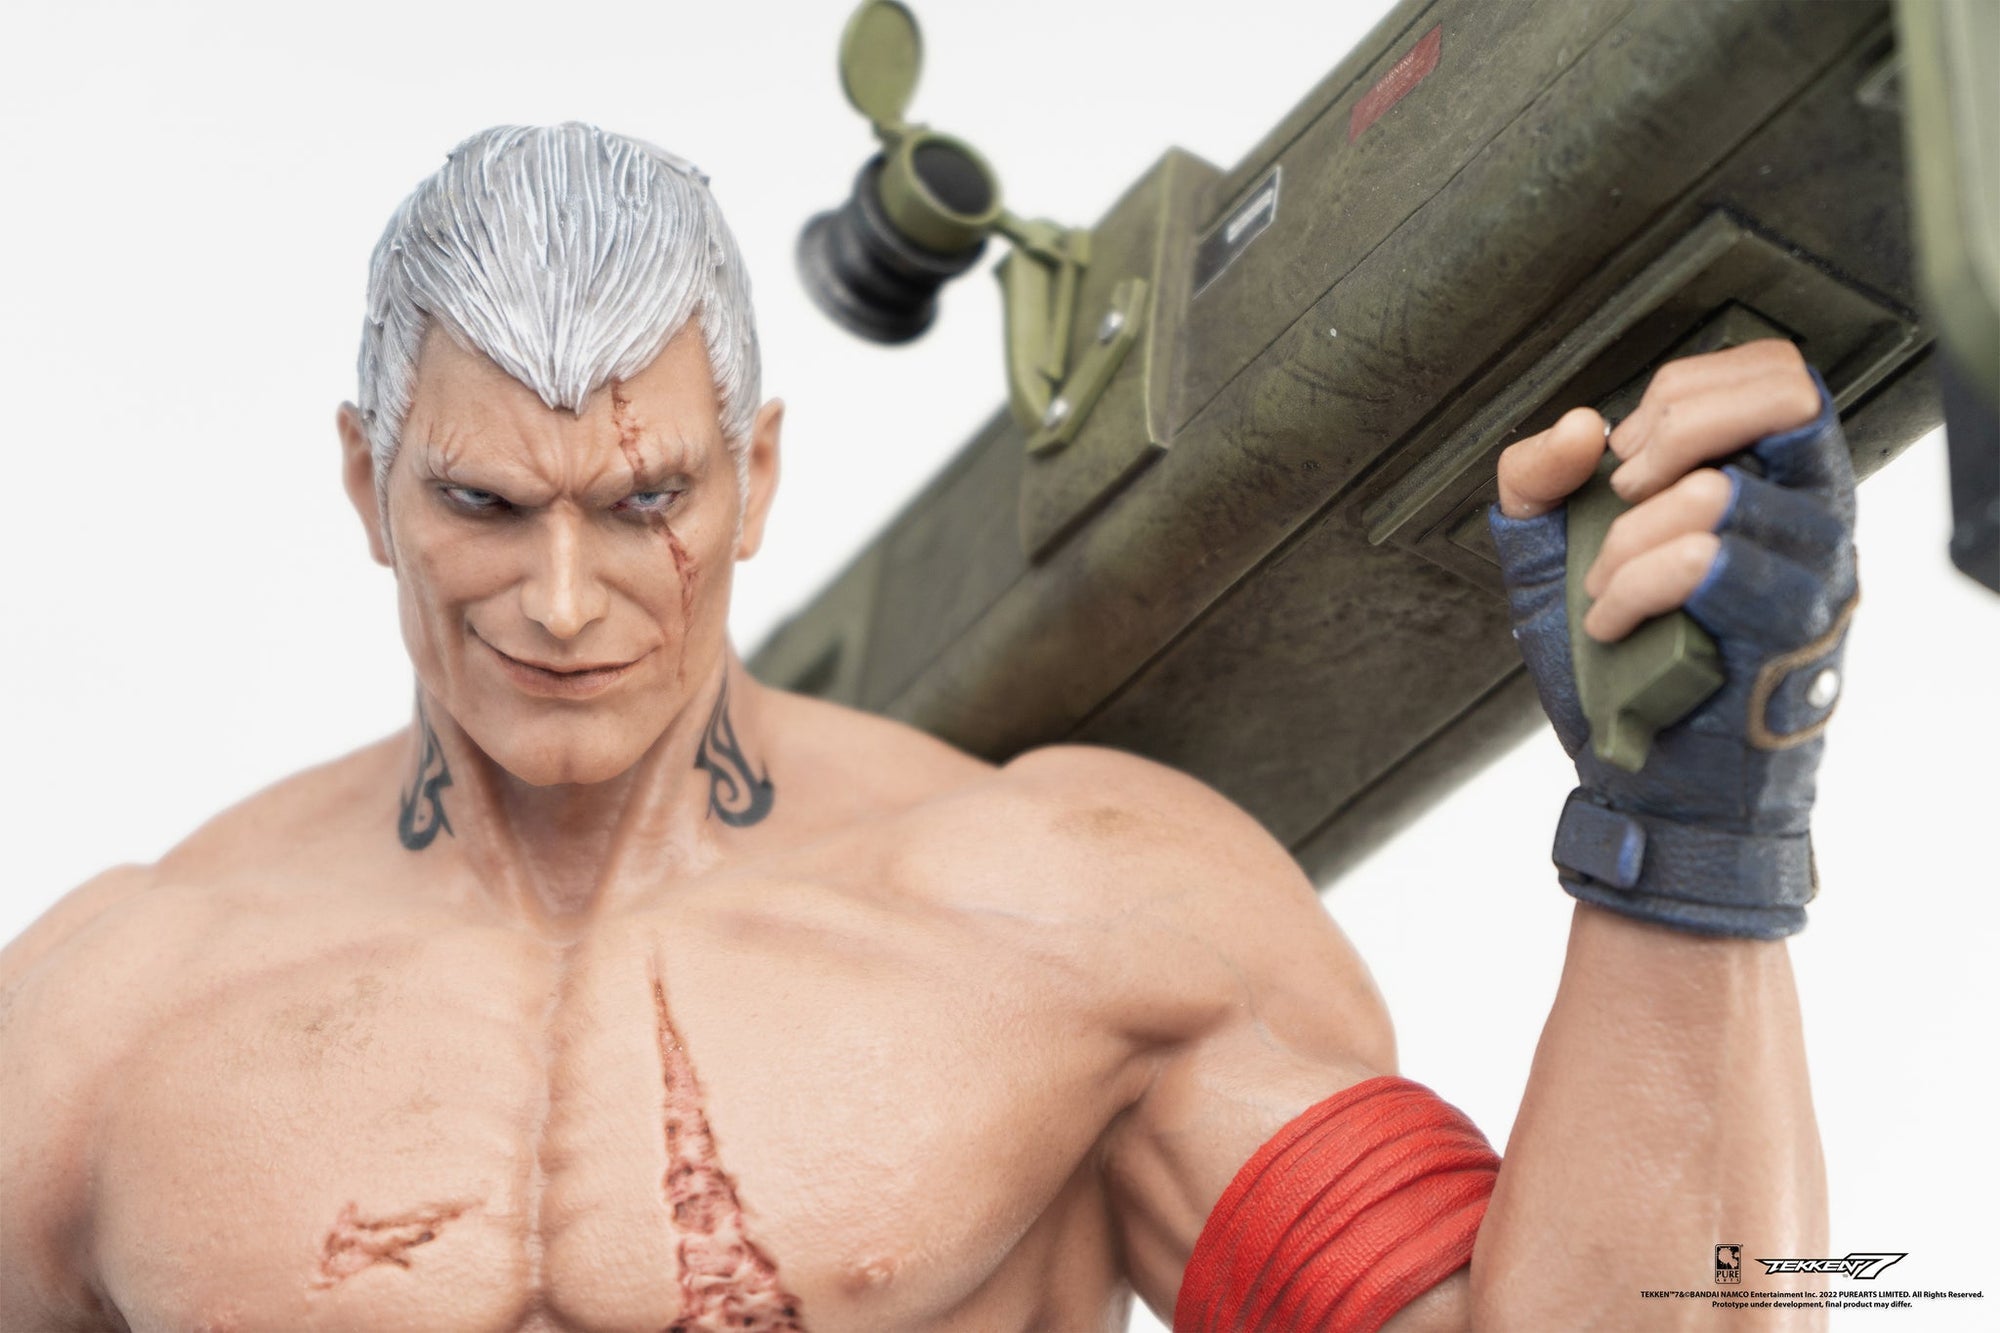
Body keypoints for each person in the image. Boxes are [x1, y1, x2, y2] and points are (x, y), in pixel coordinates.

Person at [1, 123, 1850, 1332]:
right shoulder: (108, 1013)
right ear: (367, 483)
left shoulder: (1070, 913)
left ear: (755, 474)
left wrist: (1698, 839)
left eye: (643, 501)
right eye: (483, 505)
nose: (561, 601)